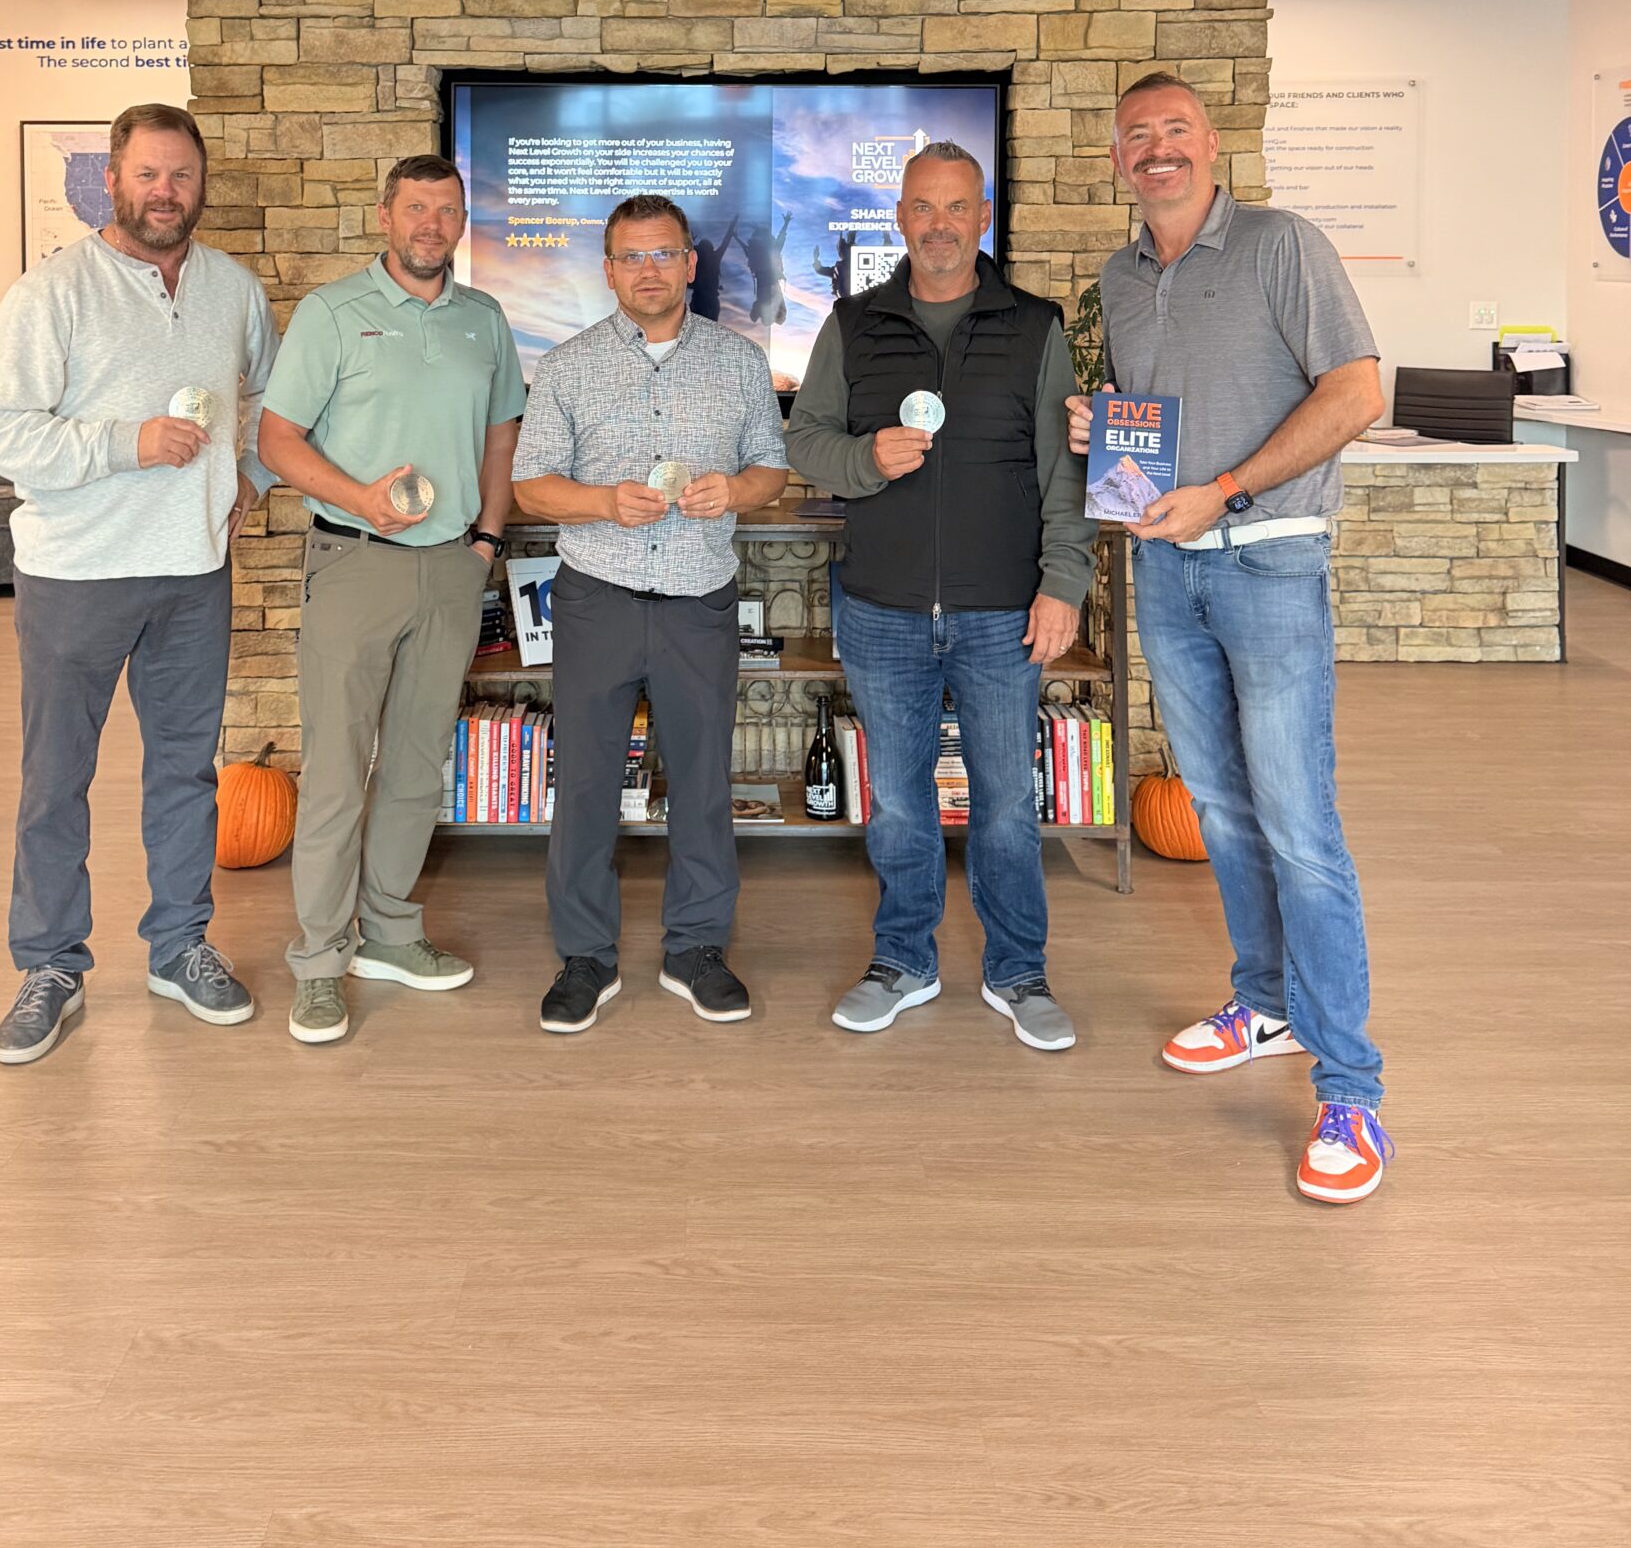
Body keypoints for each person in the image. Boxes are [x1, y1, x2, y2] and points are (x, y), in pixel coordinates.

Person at [1070, 70, 1391, 1204]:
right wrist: (1098, 426)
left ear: (1212, 144)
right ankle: (1264, 1003)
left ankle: (1349, 1086)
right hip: (1169, 570)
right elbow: (1153, 425)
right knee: (1221, 811)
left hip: (1269, 560)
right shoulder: (1121, 275)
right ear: (1119, 160)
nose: (1156, 149)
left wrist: (1229, 491)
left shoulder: (1282, 244)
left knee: (1302, 824)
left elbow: (1358, 392)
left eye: (1174, 131)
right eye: (1136, 137)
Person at [0, 102, 277, 1065]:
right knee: (57, 780)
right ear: (113, 179)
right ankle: (51, 964)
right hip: (76, 573)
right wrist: (124, 444)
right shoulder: (53, 292)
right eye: (148, 174)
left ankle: (179, 945)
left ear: (200, 185)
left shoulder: (233, 288)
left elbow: (264, 401)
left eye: (181, 176)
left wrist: (245, 484)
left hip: (193, 572)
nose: (165, 192)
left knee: (185, 774)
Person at [789, 141, 1096, 1045]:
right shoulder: (851, 324)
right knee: (899, 803)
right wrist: (863, 458)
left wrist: (1064, 585)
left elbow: (1063, 475)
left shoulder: (1037, 328)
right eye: (922, 208)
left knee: (1006, 801)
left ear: (982, 215)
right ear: (900, 220)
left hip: (1006, 612)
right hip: (881, 610)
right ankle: (904, 962)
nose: (939, 226)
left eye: (957, 207)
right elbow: (805, 442)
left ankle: (1019, 972)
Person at [258, 154, 525, 1045]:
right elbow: (278, 440)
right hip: (355, 560)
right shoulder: (333, 314)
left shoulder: (484, 320)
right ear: (385, 216)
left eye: (447, 211)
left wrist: (487, 539)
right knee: (336, 772)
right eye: (416, 208)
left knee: (416, 768)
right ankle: (321, 962)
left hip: (451, 568)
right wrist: (356, 495)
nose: (431, 225)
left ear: (460, 223)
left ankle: (390, 934)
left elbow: (500, 439)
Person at [512, 195, 790, 1033]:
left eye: (664, 254)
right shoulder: (566, 365)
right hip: (597, 595)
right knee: (588, 785)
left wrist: (735, 490)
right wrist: (601, 501)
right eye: (631, 257)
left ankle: (696, 948)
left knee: (704, 781)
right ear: (608, 270)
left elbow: (771, 470)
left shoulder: (740, 364)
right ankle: (586, 958)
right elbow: (531, 486)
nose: (649, 271)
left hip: (700, 602)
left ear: (690, 263)